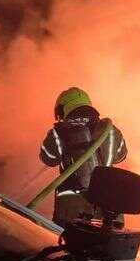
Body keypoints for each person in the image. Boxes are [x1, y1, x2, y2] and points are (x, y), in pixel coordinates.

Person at [39, 87, 128, 225]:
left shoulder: (59, 132)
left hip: (72, 207)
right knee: (106, 237)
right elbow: (121, 156)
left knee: (69, 238)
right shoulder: (109, 129)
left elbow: (48, 158)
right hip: (108, 207)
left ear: (61, 110)